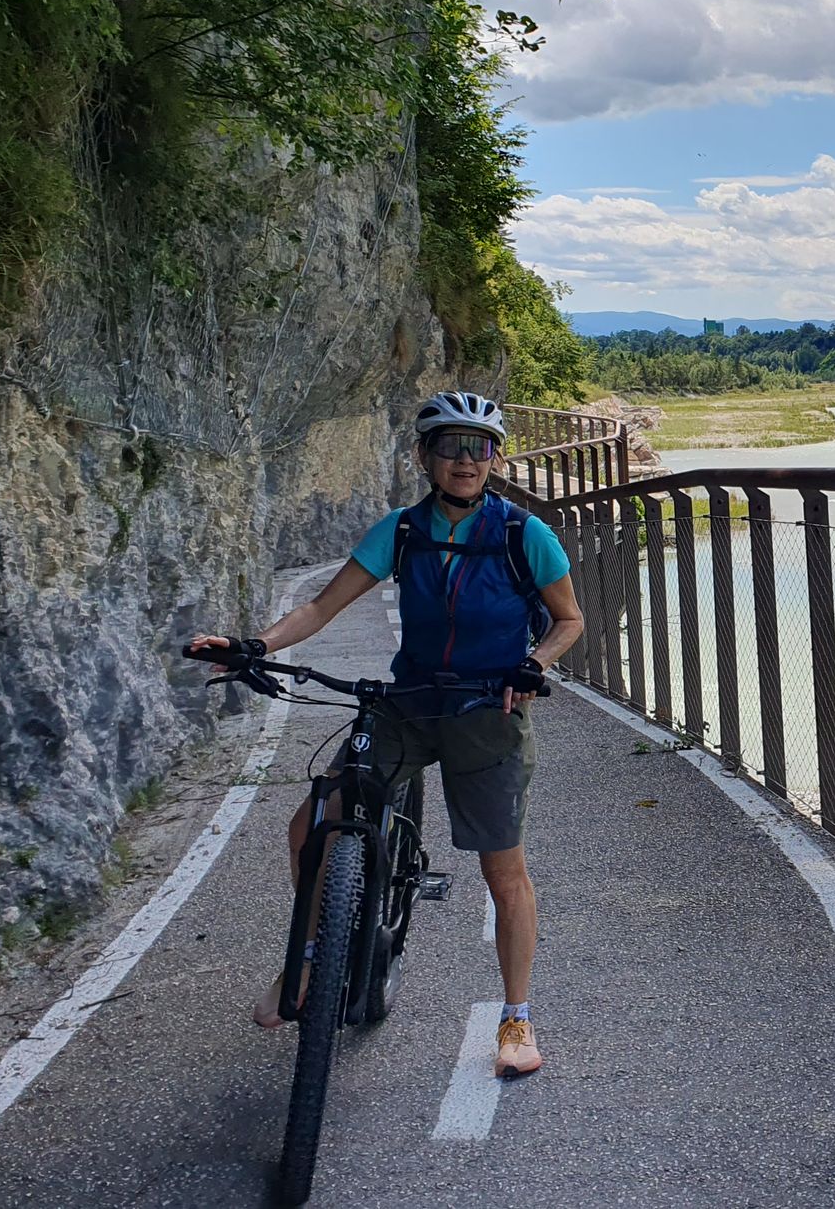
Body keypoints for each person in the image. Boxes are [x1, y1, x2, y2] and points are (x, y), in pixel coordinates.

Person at [189, 390, 583, 1078]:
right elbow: (319, 606)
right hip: (408, 701)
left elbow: (569, 621)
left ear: (495, 457)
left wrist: (534, 662)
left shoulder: (525, 535)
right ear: (426, 457)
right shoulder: (400, 532)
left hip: (488, 710)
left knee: (503, 872)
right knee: (312, 822)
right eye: (451, 447)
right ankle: (306, 964)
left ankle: (516, 1019)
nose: (466, 461)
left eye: (479, 447)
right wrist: (256, 644)